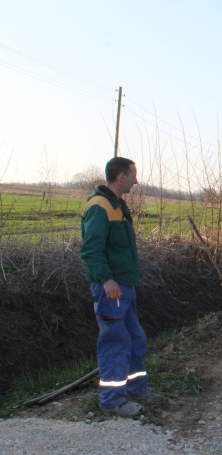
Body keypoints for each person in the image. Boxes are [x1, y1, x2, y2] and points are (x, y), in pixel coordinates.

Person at [80, 157, 164, 417]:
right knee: (115, 342)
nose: (136, 180)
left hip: (125, 286)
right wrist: (106, 280)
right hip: (111, 289)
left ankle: (137, 389)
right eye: (133, 175)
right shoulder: (99, 207)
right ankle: (113, 400)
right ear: (121, 176)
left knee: (135, 339)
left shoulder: (116, 205)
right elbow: (91, 251)